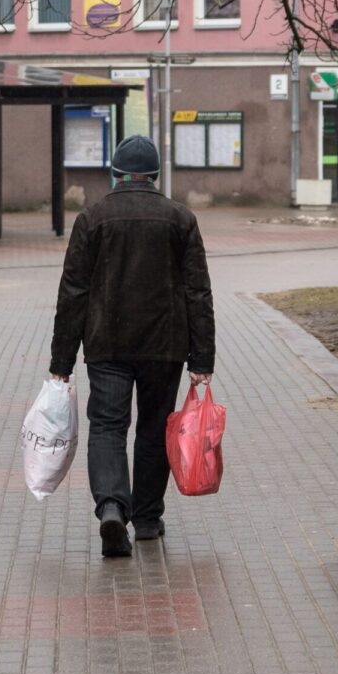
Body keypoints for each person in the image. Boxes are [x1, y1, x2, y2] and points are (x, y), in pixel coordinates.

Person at [48, 135, 215, 558]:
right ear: (156, 177)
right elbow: (198, 292)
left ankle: (110, 507)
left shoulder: (92, 218)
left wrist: (61, 361)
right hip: (165, 346)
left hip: (106, 344)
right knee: (155, 428)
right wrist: (202, 358)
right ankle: (145, 519)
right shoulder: (181, 219)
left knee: (107, 426)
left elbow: (73, 292)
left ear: (116, 175)